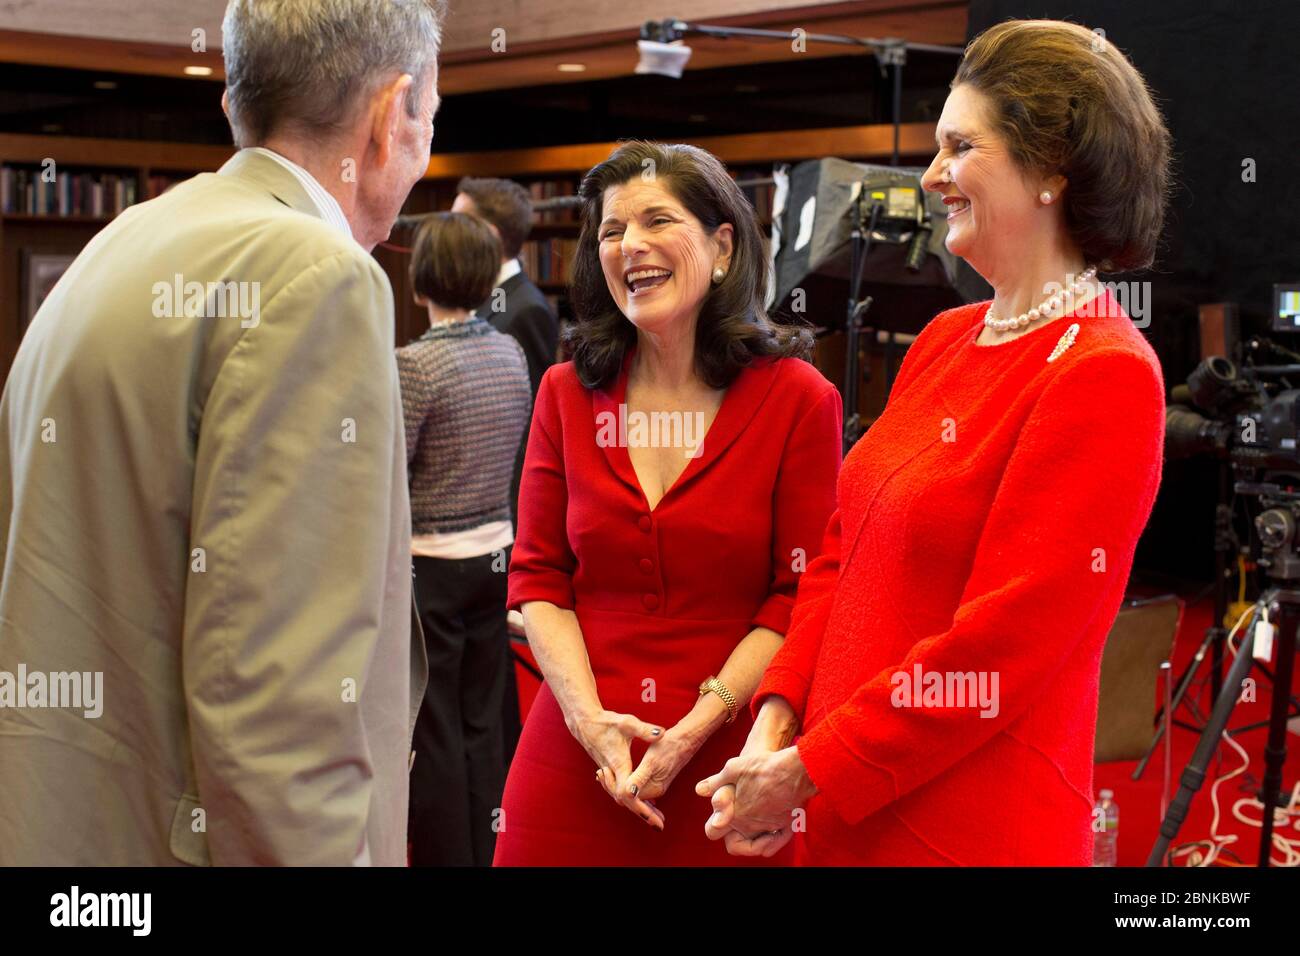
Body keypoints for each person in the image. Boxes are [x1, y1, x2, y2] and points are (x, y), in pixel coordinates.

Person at [698, 18, 1171, 866]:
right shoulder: (945, 339)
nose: (932, 175)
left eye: (959, 146)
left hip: (963, 827)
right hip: (844, 802)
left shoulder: (1105, 371)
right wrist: (778, 717)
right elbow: (838, 555)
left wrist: (809, 770)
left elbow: (1003, 649)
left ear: (1051, 170)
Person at [0, 0, 448, 866]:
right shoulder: (320, 279)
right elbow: (281, 701)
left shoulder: (126, 239)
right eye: (430, 115)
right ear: (392, 120)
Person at [493, 141, 843, 866]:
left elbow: (799, 592)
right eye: (612, 230)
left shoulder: (800, 400)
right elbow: (538, 575)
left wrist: (694, 727)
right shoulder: (565, 392)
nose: (631, 245)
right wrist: (588, 721)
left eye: (657, 220)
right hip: (575, 753)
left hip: (727, 765)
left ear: (722, 246)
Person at [398, 212, 531, 866]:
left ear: (420, 279)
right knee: (485, 721)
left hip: (431, 567)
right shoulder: (509, 350)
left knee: (435, 728)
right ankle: (489, 852)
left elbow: (388, 473)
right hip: (497, 559)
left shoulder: (415, 365)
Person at [452, 177, 560, 769]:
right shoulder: (495, 301)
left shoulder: (524, 309)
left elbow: (532, 432)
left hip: (505, 515)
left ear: (489, 236)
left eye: (458, 221)